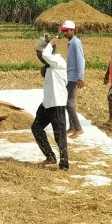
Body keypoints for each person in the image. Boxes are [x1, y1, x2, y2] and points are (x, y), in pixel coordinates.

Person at [32, 35, 69, 171]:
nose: (39, 56)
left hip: (57, 103)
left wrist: (52, 43)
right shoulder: (49, 65)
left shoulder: (58, 61)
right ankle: (50, 156)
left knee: (59, 135)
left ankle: (64, 164)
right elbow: (43, 55)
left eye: (40, 53)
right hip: (47, 103)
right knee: (36, 128)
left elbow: (46, 55)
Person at [61, 20, 85, 139]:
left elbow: (81, 60)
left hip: (74, 77)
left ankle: (78, 128)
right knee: (67, 102)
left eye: (67, 31)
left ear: (72, 30)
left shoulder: (76, 43)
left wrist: (80, 77)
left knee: (69, 103)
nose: (65, 33)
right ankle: (72, 127)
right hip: (69, 76)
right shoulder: (71, 43)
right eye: (63, 31)